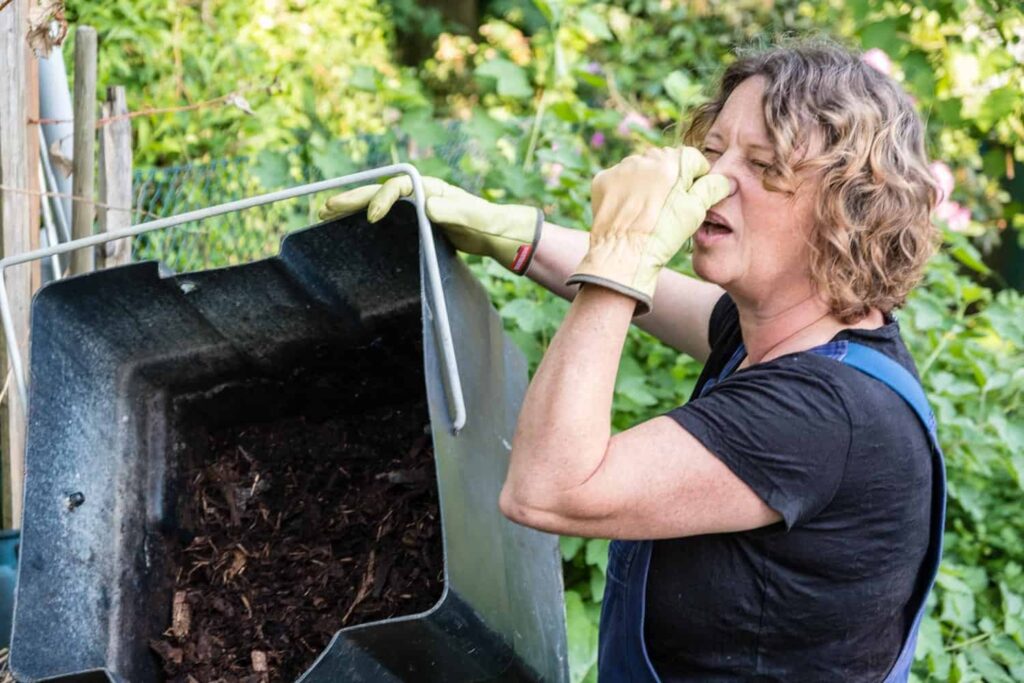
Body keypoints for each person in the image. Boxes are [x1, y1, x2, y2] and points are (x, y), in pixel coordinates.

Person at [321, 38, 945, 682]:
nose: (715, 181)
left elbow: (548, 489)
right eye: (712, 152)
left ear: (848, 209)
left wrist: (622, 262)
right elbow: (677, 303)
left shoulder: (822, 416)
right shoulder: (797, 332)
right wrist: (515, 235)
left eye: (763, 165)